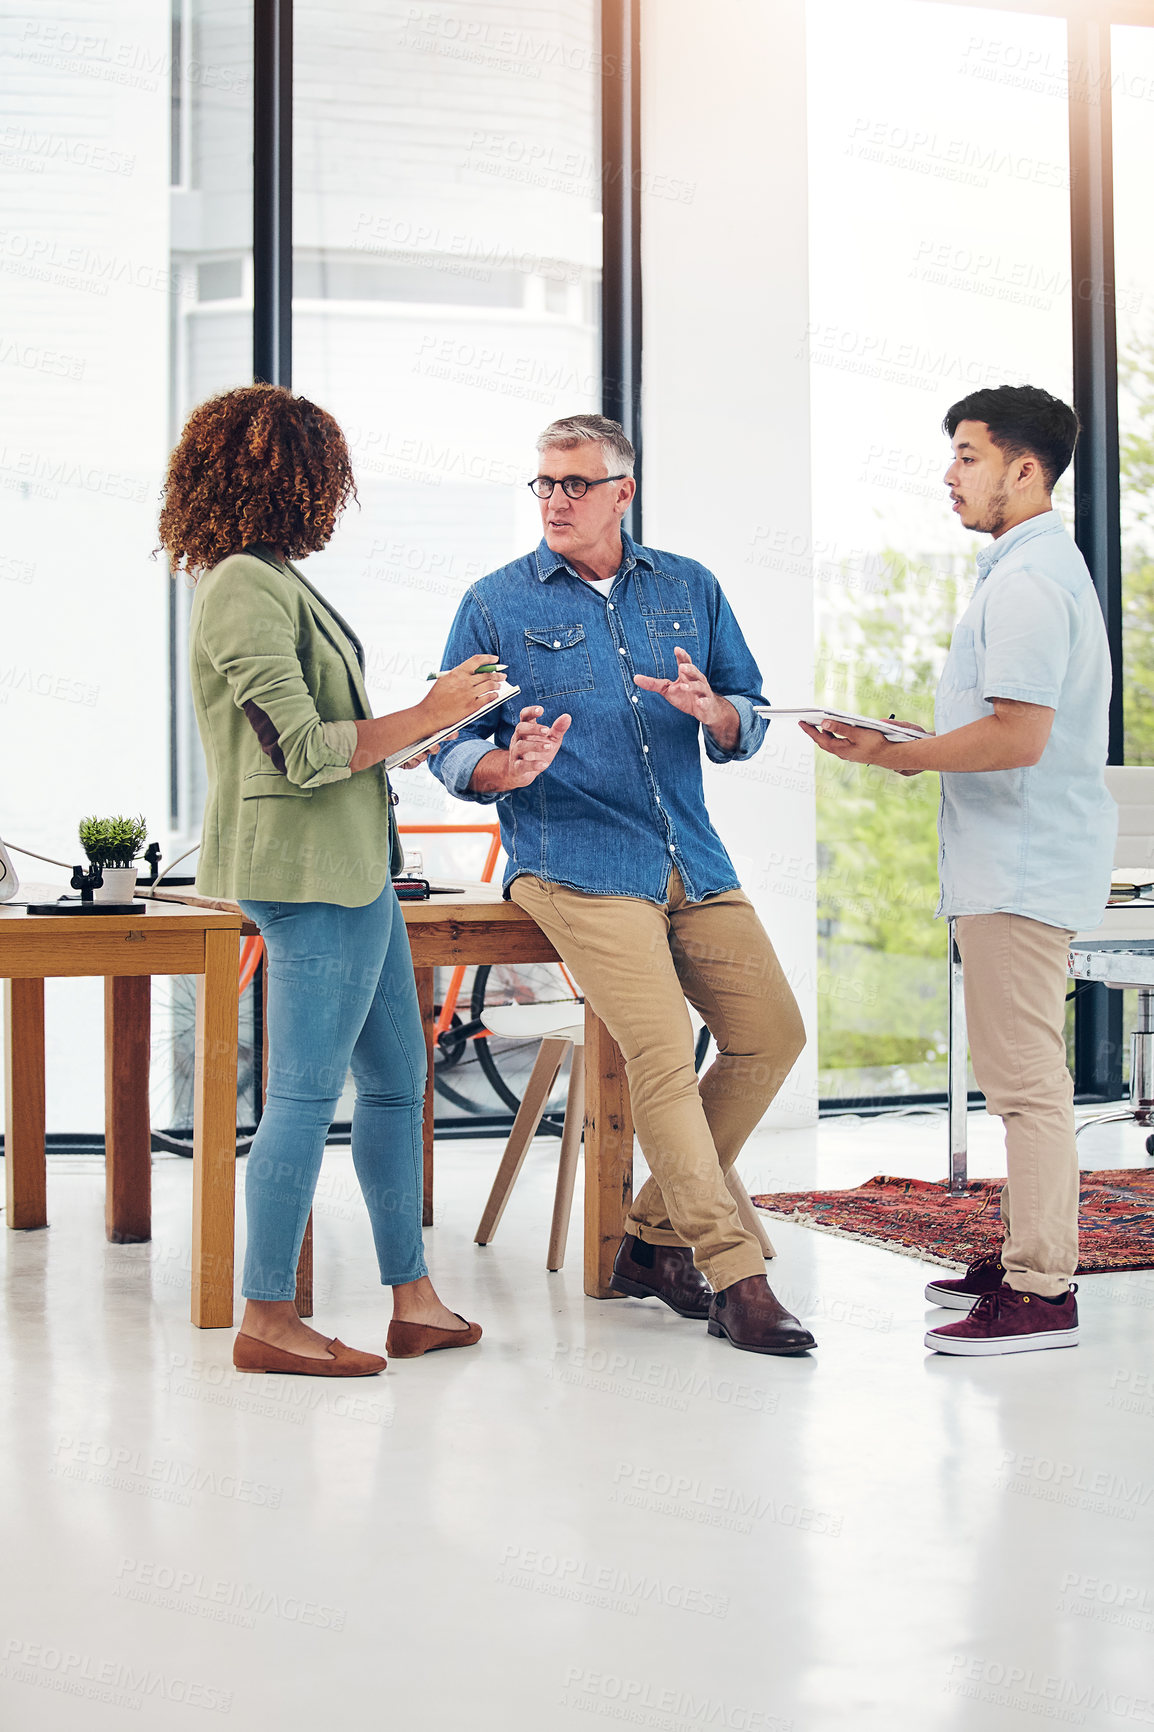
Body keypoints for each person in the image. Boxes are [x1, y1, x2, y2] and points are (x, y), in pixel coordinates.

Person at [429, 413, 813, 1356]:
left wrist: (714, 710)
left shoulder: (690, 587)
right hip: (575, 863)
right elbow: (446, 738)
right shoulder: (495, 603)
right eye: (544, 484)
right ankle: (736, 1275)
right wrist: (500, 770)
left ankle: (647, 1237)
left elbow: (748, 709)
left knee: (772, 1036)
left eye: (575, 484)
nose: (555, 500)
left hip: (692, 856)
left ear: (622, 492)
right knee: (663, 1055)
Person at [159, 383, 498, 1374]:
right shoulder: (241, 589)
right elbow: (303, 754)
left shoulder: (269, 579)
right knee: (303, 1098)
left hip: (352, 871)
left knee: (397, 1084)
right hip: (307, 875)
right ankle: (265, 1317)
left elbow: (314, 751)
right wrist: (432, 712)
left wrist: (435, 716)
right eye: (325, 478)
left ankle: (415, 1299)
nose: (334, 499)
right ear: (285, 479)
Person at [805, 384, 1115, 1357]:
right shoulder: (1023, 570)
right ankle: (1027, 1252)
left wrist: (894, 755)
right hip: (1009, 861)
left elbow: (1017, 737)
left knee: (1025, 1084)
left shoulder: (1026, 582)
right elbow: (1000, 724)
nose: (949, 475)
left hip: (1018, 864)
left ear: (1026, 470)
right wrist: (903, 738)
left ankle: (1038, 1289)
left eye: (968, 455)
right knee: (1016, 1076)